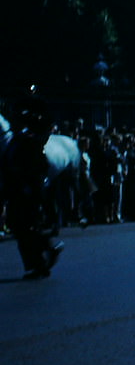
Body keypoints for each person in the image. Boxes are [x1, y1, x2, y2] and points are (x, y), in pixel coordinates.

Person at [1, 96, 64, 280]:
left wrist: (30, 185)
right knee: (18, 227)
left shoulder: (30, 141)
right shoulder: (13, 143)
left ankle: (41, 259)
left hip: (27, 190)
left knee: (27, 227)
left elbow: (38, 166)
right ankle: (40, 257)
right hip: (14, 190)